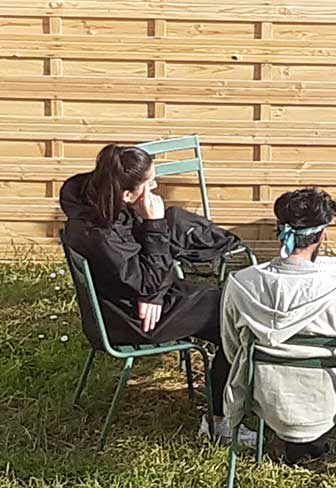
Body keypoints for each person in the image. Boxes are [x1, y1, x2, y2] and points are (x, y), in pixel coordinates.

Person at [59, 143, 256, 445]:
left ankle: (231, 405)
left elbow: (146, 277)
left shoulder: (98, 204)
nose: (156, 186)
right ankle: (221, 424)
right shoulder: (101, 234)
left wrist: (151, 292)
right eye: (150, 183)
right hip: (131, 320)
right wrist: (154, 225)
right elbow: (148, 277)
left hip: (134, 302)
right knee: (234, 317)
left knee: (223, 299)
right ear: (126, 194)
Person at [221, 188, 336, 465]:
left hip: (261, 394)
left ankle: (283, 431)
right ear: (321, 235)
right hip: (322, 399)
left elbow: (231, 350)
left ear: (278, 230)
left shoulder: (239, 283)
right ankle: (317, 436)